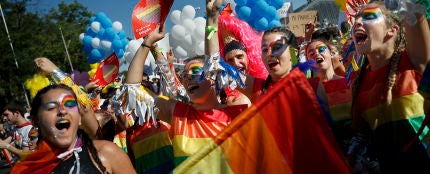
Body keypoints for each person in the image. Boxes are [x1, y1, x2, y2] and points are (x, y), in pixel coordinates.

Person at [115, 9, 247, 171]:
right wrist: (147, 44)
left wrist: (212, 16)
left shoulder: (238, 114)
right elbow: (132, 91)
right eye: (184, 75)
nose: (188, 77)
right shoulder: (177, 114)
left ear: (213, 78)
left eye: (196, 72)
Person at [348, 2, 430, 173]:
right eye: (356, 18)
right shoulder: (358, 82)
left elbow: (415, 11)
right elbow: (361, 136)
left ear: (392, 30)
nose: (357, 22)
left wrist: (405, 3)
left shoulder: (413, 61)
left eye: (368, 16)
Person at [10, 84, 136, 174]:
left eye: (69, 105)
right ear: (35, 121)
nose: (62, 111)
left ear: (79, 119)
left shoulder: (106, 153)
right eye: (51, 107)